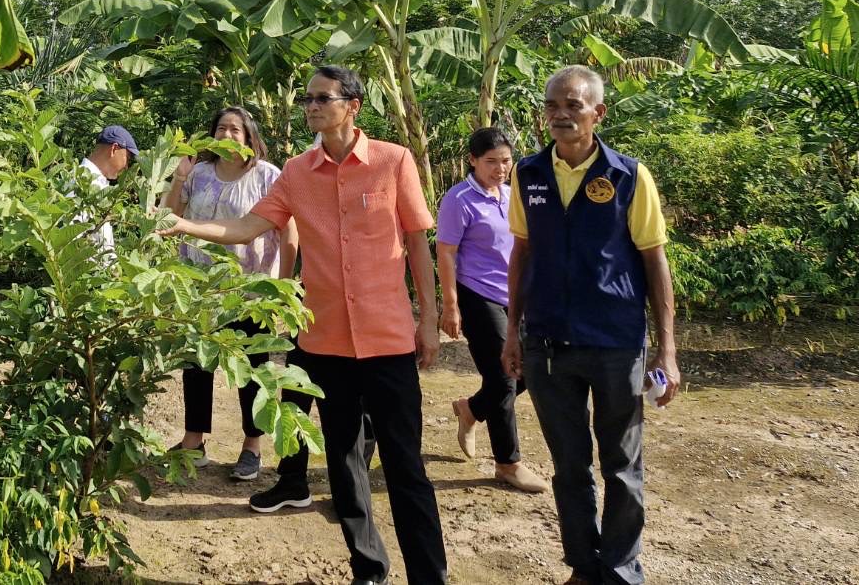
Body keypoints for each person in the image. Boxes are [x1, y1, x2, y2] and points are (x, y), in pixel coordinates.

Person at [161, 65, 448, 585]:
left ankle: (430, 576)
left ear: (352, 105)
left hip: (387, 338)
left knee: (405, 466)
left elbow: (417, 245)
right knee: (342, 463)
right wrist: (184, 224)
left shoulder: (393, 161)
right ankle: (369, 569)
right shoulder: (296, 172)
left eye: (322, 98)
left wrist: (429, 319)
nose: (312, 107)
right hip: (326, 341)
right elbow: (248, 226)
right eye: (307, 100)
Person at [501, 65, 681, 585]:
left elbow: (655, 262)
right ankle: (583, 566)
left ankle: (621, 570)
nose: (560, 115)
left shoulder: (627, 175)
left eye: (572, 106)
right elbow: (522, 255)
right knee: (570, 467)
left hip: (615, 343)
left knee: (623, 467)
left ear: (597, 113)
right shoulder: (528, 173)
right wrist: (513, 333)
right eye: (552, 106)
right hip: (548, 343)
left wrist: (665, 351)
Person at [162, 106, 297, 481]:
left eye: (235, 130)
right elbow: (170, 217)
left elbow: (289, 233)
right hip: (199, 289)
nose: (226, 135)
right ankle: (194, 441)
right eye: (220, 128)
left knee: (251, 370)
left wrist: (283, 288)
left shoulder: (268, 176)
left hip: (249, 291)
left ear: (249, 137)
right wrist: (178, 178)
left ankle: (252, 446)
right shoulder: (199, 173)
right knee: (196, 364)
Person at [437, 127, 547, 494]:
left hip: (516, 295)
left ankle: (471, 409)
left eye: (505, 161)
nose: (499, 169)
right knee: (504, 377)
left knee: (530, 370)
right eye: (490, 162)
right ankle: (508, 463)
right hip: (477, 295)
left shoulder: (512, 196)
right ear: (472, 161)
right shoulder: (459, 200)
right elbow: (446, 254)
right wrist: (450, 305)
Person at [74, 124, 139, 257]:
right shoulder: (79, 181)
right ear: (114, 149)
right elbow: (72, 237)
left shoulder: (98, 184)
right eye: (128, 158)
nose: (126, 167)